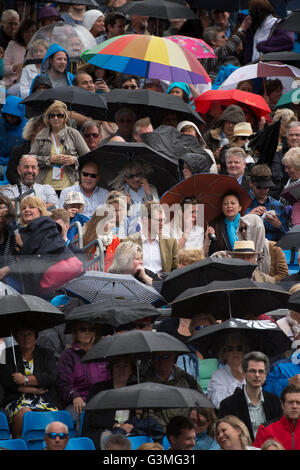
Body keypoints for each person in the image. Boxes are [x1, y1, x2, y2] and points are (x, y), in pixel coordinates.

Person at [82, 354, 163, 449]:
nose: (122, 370)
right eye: (118, 366)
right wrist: (116, 425)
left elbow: (137, 418)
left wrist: (140, 412)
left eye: (126, 366)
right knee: (112, 440)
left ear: (131, 370)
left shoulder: (135, 389)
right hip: (101, 430)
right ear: (111, 369)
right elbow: (91, 417)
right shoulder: (99, 389)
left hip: (127, 429)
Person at [0, 323, 59, 438]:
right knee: (25, 413)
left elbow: (50, 376)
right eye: (22, 335)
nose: (26, 338)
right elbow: (6, 380)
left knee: (49, 415)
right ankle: (22, 443)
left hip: (44, 399)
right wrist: (34, 390)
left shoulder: (46, 353)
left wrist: (25, 379)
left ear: (35, 336)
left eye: (29, 334)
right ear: (16, 338)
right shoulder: (5, 354)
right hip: (16, 400)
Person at [218, 351, 282, 441]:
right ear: (244, 373)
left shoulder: (274, 401)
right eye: (252, 371)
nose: (257, 375)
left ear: (265, 375)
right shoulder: (228, 404)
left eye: (261, 371)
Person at [56, 319, 110, 425]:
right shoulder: (68, 355)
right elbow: (64, 383)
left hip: (101, 401)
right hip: (77, 401)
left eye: (91, 329)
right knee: (73, 418)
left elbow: (110, 381)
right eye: (82, 329)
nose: (87, 332)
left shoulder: (104, 354)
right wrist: (75, 396)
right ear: (76, 333)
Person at [30, 100, 89, 191]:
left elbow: (88, 157)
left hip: (70, 185)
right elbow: (31, 159)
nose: (56, 118)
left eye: (60, 115)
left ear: (65, 117)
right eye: (52, 115)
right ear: (48, 118)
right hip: (44, 186)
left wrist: (74, 160)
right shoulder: (41, 135)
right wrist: (49, 159)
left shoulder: (73, 134)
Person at [143, 351, 204, 430]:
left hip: (189, 429)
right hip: (161, 433)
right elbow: (147, 414)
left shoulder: (186, 379)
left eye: (166, 357)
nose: (162, 361)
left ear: (173, 358)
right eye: (157, 358)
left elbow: (201, 402)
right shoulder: (145, 384)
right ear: (152, 360)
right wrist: (168, 430)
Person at [125, 202, 178, 275]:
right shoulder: (127, 242)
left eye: (163, 220)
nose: (162, 223)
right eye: (158, 220)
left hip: (162, 284)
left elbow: (175, 270)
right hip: (138, 284)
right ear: (145, 220)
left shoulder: (171, 242)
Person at [238, 214, 288, 281]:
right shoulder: (239, 248)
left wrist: (262, 280)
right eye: (241, 229)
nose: (243, 231)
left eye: (246, 228)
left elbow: (284, 275)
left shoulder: (274, 247)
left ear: (257, 228)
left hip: (270, 288)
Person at [201, 16, 251, 83]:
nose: (227, 39)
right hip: (218, 89)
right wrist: (242, 28)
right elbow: (229, 48)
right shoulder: (210, 54)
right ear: (213, 42)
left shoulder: (222, 54)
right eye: (223, 37)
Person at [246, 164, 288, 242]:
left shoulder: (278, 206)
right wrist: (248, 217)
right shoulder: (242, 203)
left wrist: (279, 226)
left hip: (273, 250)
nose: (264, 190)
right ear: (251, 183)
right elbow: (236, 230)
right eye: (259, 187)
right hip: (249, 249)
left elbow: (286, 237)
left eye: (267, 187)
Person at [207, 332, 248, 409]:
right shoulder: (217, 376)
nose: (235, 352)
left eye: (239, 348)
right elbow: (219, 404)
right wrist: (238, 380)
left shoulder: (251, 372)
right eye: (230, 349)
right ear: (224, 353)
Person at [253, 384, 300, 449]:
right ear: (282, 405)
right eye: (290, 402)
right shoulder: (266, 430)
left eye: (298, 402)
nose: (294, 406)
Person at [82, 204, 120, 272]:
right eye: (111, 222)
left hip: (108, 278)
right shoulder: (84, 237)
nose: (113, 225)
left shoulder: (115, 240)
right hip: (88, 276)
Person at [2, 18, 36, 93]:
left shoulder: (37, 48)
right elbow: (2, 69)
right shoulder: (12, 45)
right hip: (9, 84)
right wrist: (14, 68)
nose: (31, 34)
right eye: (27, 32)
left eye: (33, 32)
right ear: (22, 33)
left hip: (28, 85)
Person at [206, 191, 243, 255]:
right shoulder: (214, 225)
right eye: (225, 204)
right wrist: (209, 238)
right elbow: (212, 252)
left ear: (240, 208)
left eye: (233, 203)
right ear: (222, 208)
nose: (229, 206)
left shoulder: (245, 223)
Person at [271, 121, 300, 199]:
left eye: (297, 135)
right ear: (287, 137)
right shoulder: (278, 156)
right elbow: (277, 180)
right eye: (291, 135)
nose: (294, 138)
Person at [0, 95, 27, 176]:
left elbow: (26, 150)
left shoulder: (26, 127)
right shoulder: (0, 124)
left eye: (14, 116)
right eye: (8, 115)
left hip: (17, 164)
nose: (11, 119)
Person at [0, 193, 21, 289]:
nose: (2, 212)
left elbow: (25, 259)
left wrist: (7, 269)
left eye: (4, 208)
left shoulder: (15, 230)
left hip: (12, 276)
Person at [281, 147, 300, 226]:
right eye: (285, 167)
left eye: (289, 167)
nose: (286, 170)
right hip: (288, 224)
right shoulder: (287, 180)